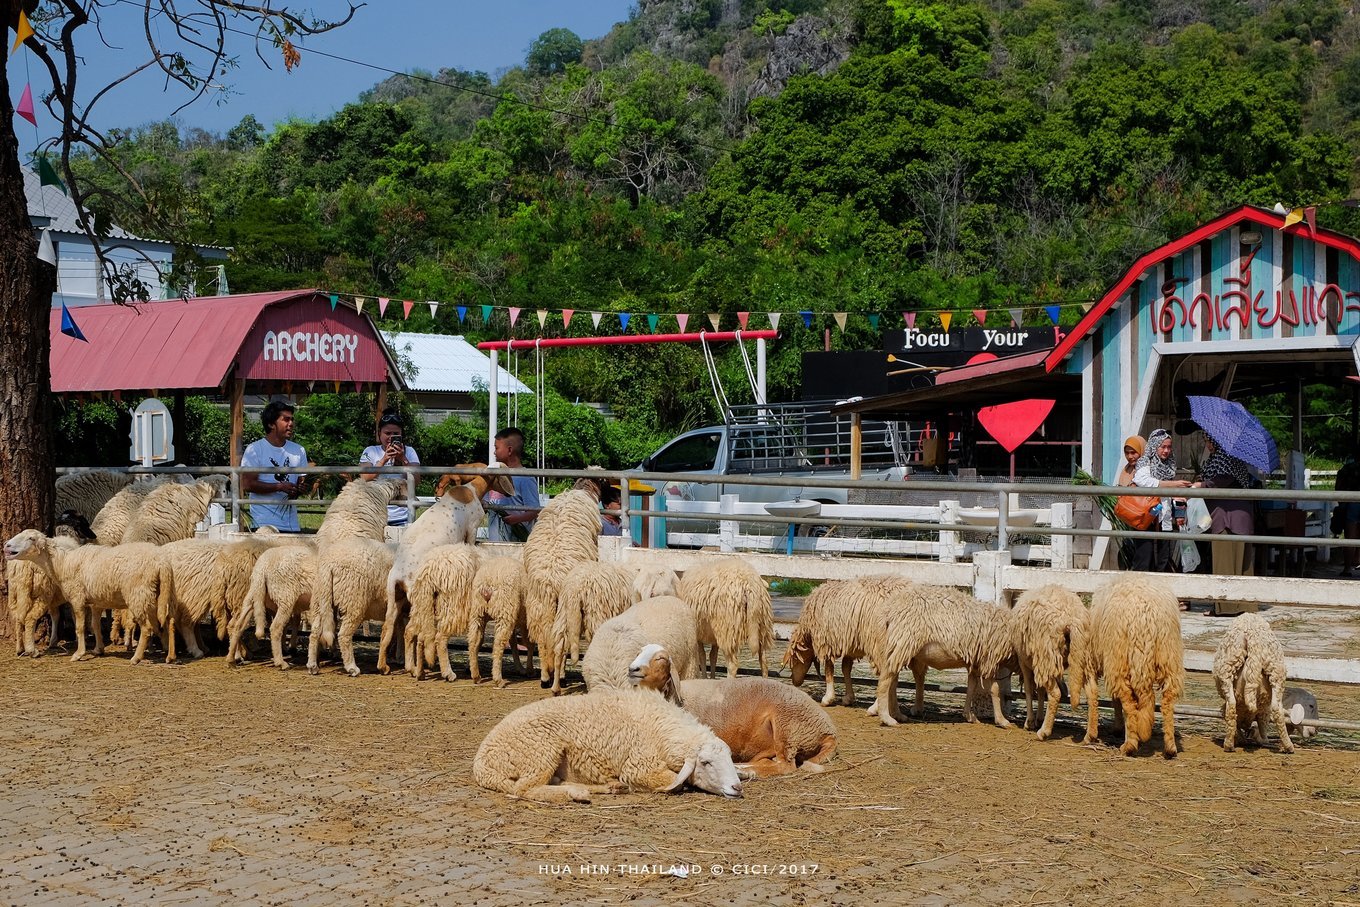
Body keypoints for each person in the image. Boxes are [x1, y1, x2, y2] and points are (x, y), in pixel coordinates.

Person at [1130, 428, 1195, 572]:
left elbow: (1173, 494)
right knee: (1144, 557)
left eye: (1169, 447)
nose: (1166, 451)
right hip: (1147, 516)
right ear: (1154, 446)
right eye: (1162, 446)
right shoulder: (1145, 462)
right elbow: (1143, 481)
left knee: (1163, 557)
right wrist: (1173, 484)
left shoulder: (1169, 465)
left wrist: (1179, 513)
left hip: (1164, 516)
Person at [241, 400, 307, 532]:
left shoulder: (299, 450)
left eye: (292, 419)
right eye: (286, 419)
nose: (291, 424)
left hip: (291, 525)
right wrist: (279, 487)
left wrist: (300, 489)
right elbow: (247, 484)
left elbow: (302, 482)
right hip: (263, 524)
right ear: (271, 424)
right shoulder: (254, 449)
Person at [1198, 436, 1255, 576]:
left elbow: (1222, 479)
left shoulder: (1225, 459)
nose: (1208, 445)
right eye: (1206, 442)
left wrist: (1201, 485)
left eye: (1210, 441)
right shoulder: (1227, 458)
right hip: (1238, 519)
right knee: (1242, 568)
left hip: (1227, 521)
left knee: (1225, 569)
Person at [359, 409, 422, 526]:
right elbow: (364, 477)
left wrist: (403, 459)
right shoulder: (370, 451)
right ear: (379, 433)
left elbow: (417, 480)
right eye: (387, 433)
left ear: (402, 434)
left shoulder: (409, 451)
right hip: (375, 516)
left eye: (395, 434)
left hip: (403, 517)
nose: (391, 437)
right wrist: (384, 459)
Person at [485, 426, 540, 542]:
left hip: (516, 542)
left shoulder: (525, 478)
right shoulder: (493, 475)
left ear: (509, 450)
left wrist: (517, 519)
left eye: (497, 448)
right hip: (494, 542)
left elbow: (535, 511)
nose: (494, 452)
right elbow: (484, 502)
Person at [1336, 456, 1360, 576]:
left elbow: (1338, 488)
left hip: (1351, 503)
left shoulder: (1347, 469)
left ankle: (1347, 568)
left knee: (1350, 537)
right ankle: (1357, 560)